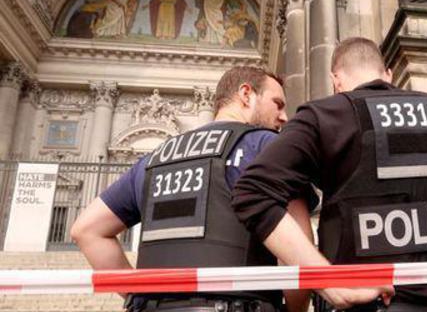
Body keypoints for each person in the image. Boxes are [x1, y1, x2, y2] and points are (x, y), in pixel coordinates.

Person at [233, 37, 427, 311]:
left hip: (367, 304)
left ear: (336, 80)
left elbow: (251, 191)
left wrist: (328, 283)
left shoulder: (325, 115)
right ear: (388, 75)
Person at [71, 66, 316, 312]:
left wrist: (137, 293)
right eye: (278, 104)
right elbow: (298, 246)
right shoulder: (267, 145)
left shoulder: (153, 160)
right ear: (246, 94)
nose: (284, 117)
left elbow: (87, 230)